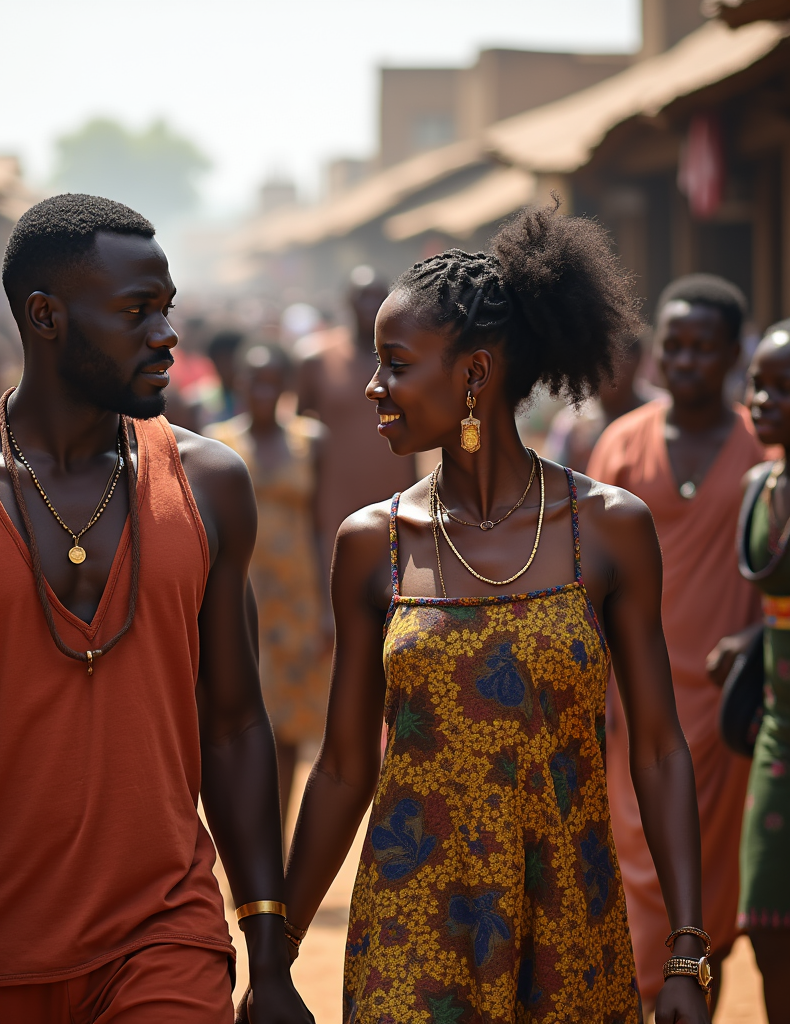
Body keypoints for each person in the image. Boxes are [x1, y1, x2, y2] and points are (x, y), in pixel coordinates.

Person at [0, 194, 313, 1024]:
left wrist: (268, 948)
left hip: (167, 933)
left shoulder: (210, 484)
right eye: (136, 312)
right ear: (44, 317)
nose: (167, 335)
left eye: (168, 310)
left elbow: (233, 722)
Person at [281, 207, 711, 1024]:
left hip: (568, 929)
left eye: (395, 364)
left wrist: (686, 950)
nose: (373, 385)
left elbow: (655, 746)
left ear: (473, 376)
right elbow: (341, 767)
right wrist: (278, 948)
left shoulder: (607, 528)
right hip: (412, 933)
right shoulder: (374, 544)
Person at [586, 273, 762, 1012]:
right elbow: (584, 573)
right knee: (635, 871)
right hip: (636, 700)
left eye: (704, 348)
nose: (686, 361)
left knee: (713, 883)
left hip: (726, 711)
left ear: (733, 356)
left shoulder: (764, 449)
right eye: (675, 346)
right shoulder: (623, 444)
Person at [208, 345, 328, 827]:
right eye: (252, 382)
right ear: (239, 386)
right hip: (240, 594)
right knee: (241, 718)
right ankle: (249, 835)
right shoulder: (217, 442)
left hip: (296, 597)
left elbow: (322, 525)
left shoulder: (311, 440)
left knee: (289, 727)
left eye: (271, 382)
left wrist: (326, 604)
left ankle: (275, 844)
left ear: (284, 388)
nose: (261, 392)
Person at [721, 319, 790, 1024]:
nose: (763, 402)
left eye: (783, 390)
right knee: (767, 922)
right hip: (779, 727)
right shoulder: (760, 486)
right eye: (758, 386)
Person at [295, 266, 417, 597]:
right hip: (336, 506)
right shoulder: (316, 359)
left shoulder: (407, 360)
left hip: (397, 504)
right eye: (361, 296)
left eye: (377, 297)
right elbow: (295, 429)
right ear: (346, 302)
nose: (369, 305)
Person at [543, 331, 657, 472]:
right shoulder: (572, 426)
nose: (598, 370)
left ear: (635, 360)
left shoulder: (661, 415)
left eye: (607, 359)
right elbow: (555, 481)